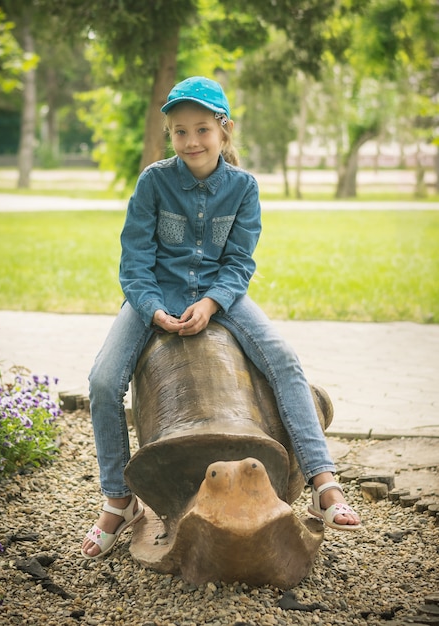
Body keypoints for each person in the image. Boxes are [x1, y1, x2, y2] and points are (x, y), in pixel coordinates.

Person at [81, 76, 361, 559]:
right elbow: (134, 262)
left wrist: (211, 303)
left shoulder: (244, 188)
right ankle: (119, 499)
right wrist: (152, 310)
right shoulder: (153, 182)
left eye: (202, 129)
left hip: (220, 295)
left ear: (223, 131)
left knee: (284, 360)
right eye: (180, 131)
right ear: (170, 135)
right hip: (154, 295)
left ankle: (322, 481)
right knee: (103, 381)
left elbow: (239, 263)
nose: (191, 141)